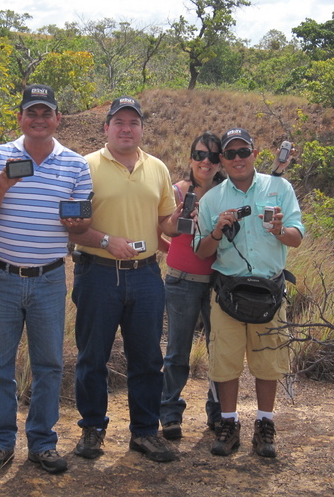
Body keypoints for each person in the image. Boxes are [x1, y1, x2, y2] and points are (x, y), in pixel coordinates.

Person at [0, 84, 92, 475]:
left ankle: (42, 442)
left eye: (46, 113)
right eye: (32, 113)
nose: (39, 120)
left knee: (49, 365)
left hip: (49, 280)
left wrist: (78, 224)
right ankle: (0, 443)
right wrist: (5, 182)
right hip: (3, 276)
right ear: (20, 118)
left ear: (58, 119)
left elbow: (82, 222)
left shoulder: (76, 164)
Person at [69, 96, 180, 463]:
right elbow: (72, 227)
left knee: (147, 358)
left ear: (142, 129)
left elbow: (165, 222)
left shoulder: (157, 168)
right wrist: (105, 240)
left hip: (147, 275)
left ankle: (145, 433)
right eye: (119, 122)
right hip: (97, 274)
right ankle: (92, 429)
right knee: (92, 357)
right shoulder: (85, 167)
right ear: (106, 128)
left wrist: (180, 220)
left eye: (133, 122)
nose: (126, 129)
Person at [194, 128, 304, 458]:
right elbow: (201, 251)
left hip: (270, 292)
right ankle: (228, 424)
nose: (238, 158)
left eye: (244, 151)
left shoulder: (280, 188)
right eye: (230, 154)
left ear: (256, 153)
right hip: (228, 293)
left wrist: (279, 230)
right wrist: (216, 230)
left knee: (268, 363)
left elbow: (296, 237)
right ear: (222, 160)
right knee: (224, 364)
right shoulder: (212, 199)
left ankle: (264, 424)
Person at [160, 132, 225, 440]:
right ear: (191, 158)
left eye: (213, 157)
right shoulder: (177, 191)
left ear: (220, 162)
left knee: (219, 351)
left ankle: (218, 412)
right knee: (177, 352)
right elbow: (165, 229)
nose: (206, 162)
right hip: (181, 282)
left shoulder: (228, 194)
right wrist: (173, 247)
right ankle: (170, 413)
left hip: (218, 283)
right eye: (200, 155)